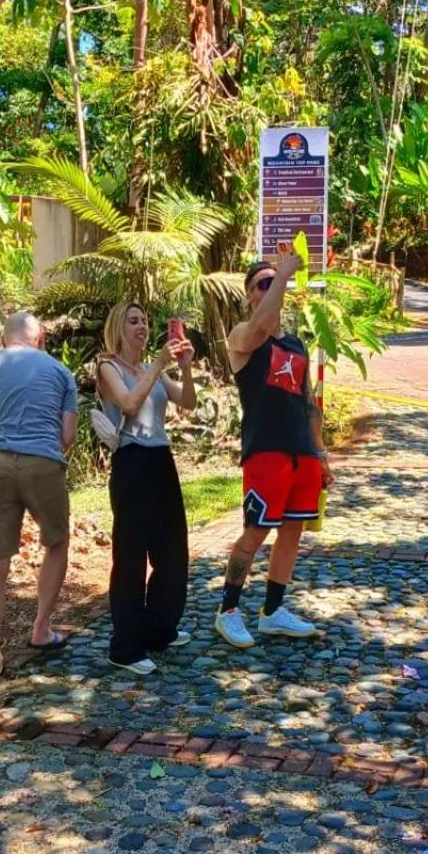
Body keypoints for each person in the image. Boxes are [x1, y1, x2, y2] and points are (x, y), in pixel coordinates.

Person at [214, 248, 333, 649]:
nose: (270, 286)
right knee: (256, 530)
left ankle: (272, 611)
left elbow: (308, 401)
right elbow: (264, 322)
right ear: (249, 295)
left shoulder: (297, 344)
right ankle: (228, 610)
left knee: (293, 529)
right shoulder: (242, 336)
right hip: (265, 449)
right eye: (261, 284)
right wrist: (282, 274)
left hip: (300, 451)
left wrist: (321, 454)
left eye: (272, 281)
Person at [0, 311, 78, 684]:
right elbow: (67, 436)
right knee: (56, 541)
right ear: (40, 338)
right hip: (43, 461)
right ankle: (41, 628)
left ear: (1, 339)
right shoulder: (60, 372)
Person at [97, 302, 196, 675]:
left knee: (173, 550)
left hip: (160, 459)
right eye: (133, 320)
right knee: (132, 555)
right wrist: (157, 366)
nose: (141, 326)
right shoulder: (109, 366)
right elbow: (128, 404)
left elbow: (187, 402)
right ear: (118, 327)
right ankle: (124, 646)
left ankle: (158, 628)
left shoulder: (146, 369)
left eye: (145, 320)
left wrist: (184, 369)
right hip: (132, 460)